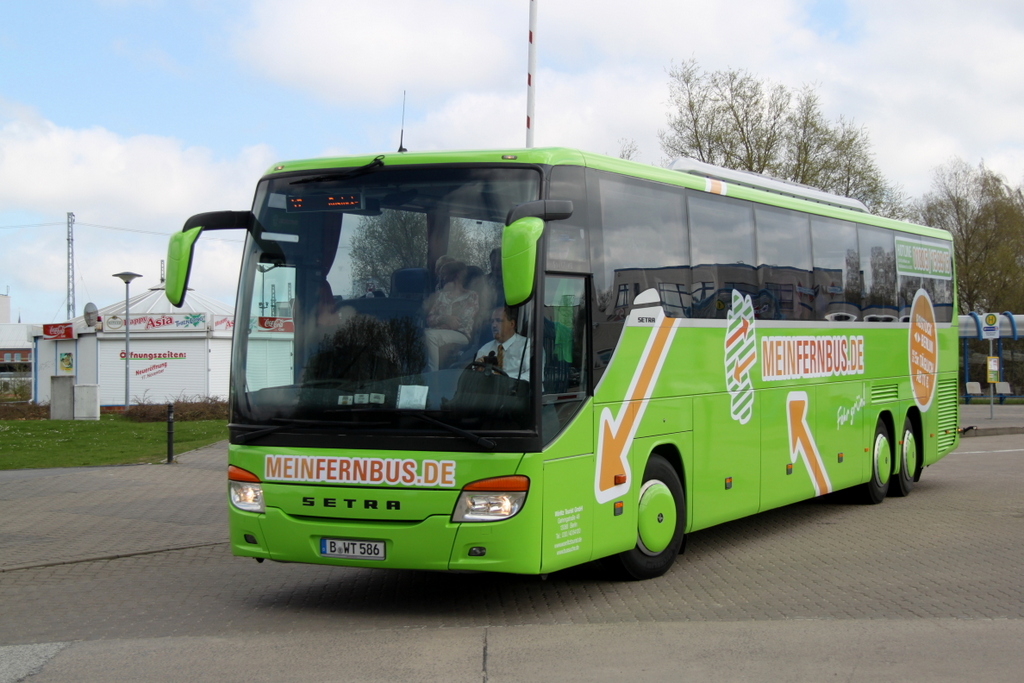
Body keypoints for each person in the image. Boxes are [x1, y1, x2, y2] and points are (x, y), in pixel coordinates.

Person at [423, 261, 479, 371]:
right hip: (438, 333)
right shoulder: (440, 295)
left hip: (461, 335)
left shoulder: (471, 296)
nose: (441, 278)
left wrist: (439, 321)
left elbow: (461, 322)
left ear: (456, 275)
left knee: (430, 336)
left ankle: (432, 376)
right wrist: (445, 319)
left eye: (444, 274)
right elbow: (430, 319)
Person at [475, 305, 530, 381]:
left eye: (499, 321)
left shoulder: (527, 346)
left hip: (518, 391)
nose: (494, 325)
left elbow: (533, 375)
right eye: (492, 321)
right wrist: (478, 371)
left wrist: (505, 381)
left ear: (512, 324)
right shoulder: (485, 349)